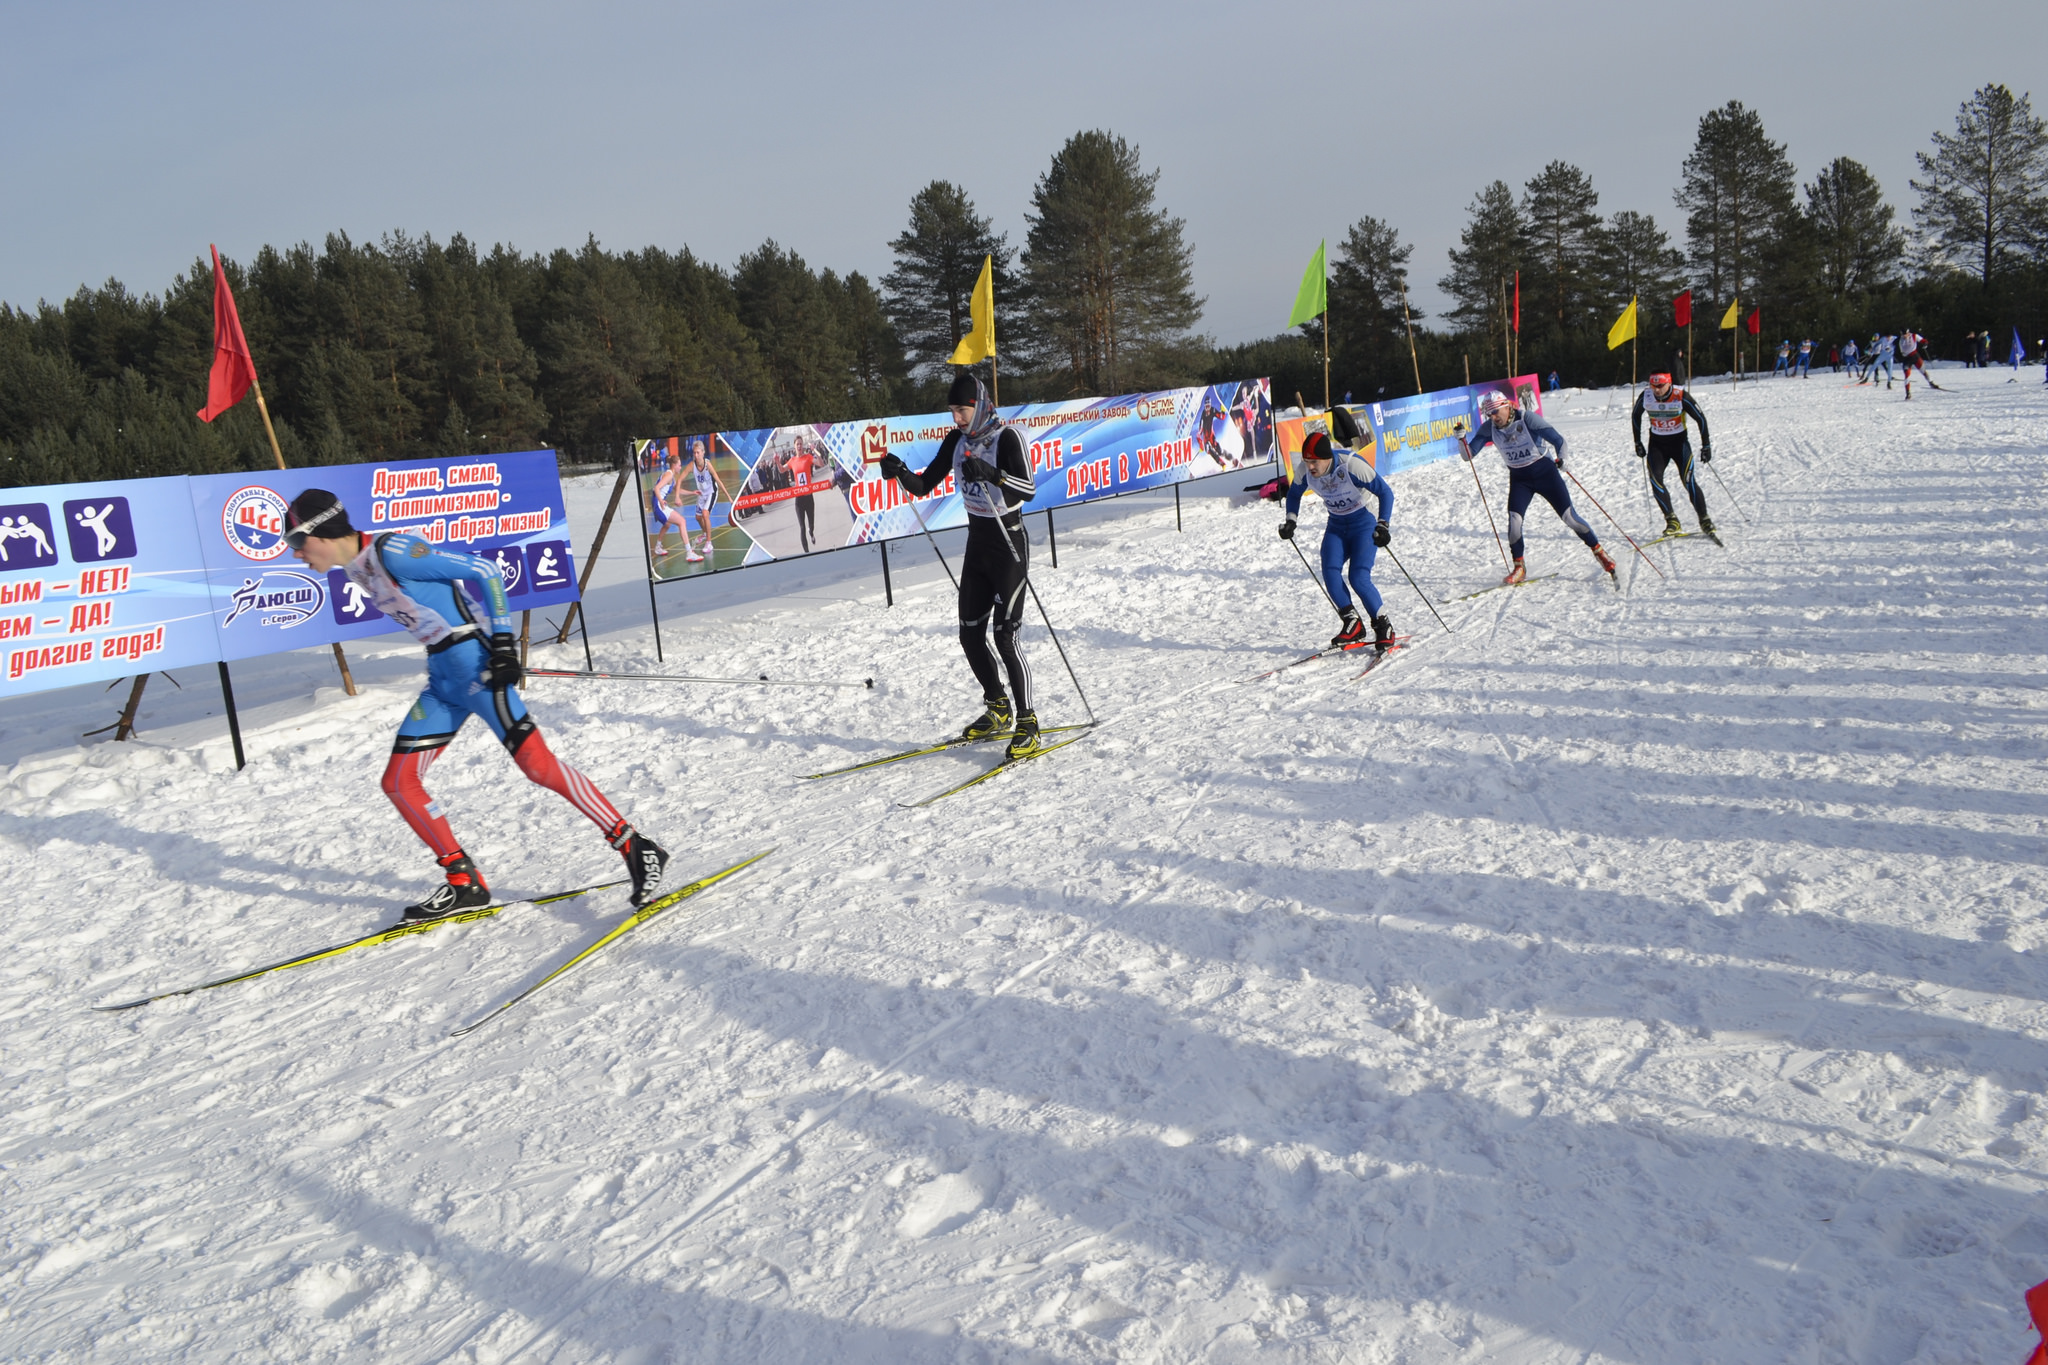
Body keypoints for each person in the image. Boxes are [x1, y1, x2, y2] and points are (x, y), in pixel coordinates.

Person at [284, 490, 670, 920]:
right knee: (398, 781)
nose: (297, 555)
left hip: (480, 671)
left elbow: (485, 570)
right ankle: (463, 881)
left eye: (295, 544)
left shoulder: (394, 551)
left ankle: (636, 846)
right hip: (444, 681)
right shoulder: (360, 568)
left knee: (538, 766)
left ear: (317, 533)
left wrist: (503, 642)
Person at [878, 372, 1044, 758]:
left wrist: (993, 474)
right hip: (977, 546)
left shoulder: (1007, 437)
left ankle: (1028, 722)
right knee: (970, 634)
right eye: (952, 411)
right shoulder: (956, 441)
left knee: (1006, 637)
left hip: (1008, 545)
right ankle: (997, 706)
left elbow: (1030, 490)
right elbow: (923, 486)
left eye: (962, 410)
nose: (956, 419)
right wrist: (900, 471)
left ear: (980, 404)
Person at [1459, 390, 1615, 585]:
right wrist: (1461, 439)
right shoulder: (1488, 428)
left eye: (1496, 412)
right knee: (1514, 521)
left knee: (1569, 517)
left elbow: (1559, 440)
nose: (1493, 417)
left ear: (1507, 406)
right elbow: (1468, 455)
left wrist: (1563, 458)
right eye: (1489, 414)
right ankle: (1519, 567)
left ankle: (1600, 553)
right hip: (1520, 479)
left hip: (1545, 474)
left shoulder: (1527, 419)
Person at [1279, 429, 1396, 652]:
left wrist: (1383, 524)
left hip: (1364, 523)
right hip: (1337, 525)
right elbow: (1293, 495)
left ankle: (1383, 626)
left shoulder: (1350, 465)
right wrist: (1291, 520)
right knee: (1330, 570)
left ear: (1327, 458)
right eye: (1306, 461)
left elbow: (1385, 492)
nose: (1310, 467)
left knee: (1358, 577)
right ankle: (1352, 622)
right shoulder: (1305, 471)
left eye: (1314, 462)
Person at [1631, 373, 1716, 539]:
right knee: (1655, 481)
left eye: (1660, 386)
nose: (1657, 390)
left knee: (1688, 480)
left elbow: (1701, 419)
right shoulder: (1646, 396)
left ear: (1668, 383)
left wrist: (1706, 445)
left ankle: (1704, 519)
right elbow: (1635, 416)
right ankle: (1672, 520)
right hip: (1657, 445)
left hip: (1679, 444)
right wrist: (1637, 442)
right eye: (1653, 386)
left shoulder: (1681, 396)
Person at [646, 448, 697, 561]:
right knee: (682, 522)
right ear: (674, 465)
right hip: (659, 504)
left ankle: (658, 547)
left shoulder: (672, 477)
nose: (680, 467)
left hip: (658, 504)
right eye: (679, 465)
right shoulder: (669, 475)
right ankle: (689, 553)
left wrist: (692, 492)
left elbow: (678, 491)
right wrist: (661, 500)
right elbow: (656, 488)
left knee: (667, 524)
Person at [686, 438, 728, 558]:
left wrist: (728, 496)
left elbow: (718, 480)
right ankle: (705, 534)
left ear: (703, 452)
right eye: (694, 453)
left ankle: (709, 543)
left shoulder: (707, 465)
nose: (696, 455)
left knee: (705, 514)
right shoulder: (692, 465)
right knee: (698, 517)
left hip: (711, 492)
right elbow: (681, 477)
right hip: (701, 493)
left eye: (698, 452)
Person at [785, 435, 820, 554]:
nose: (799, 446)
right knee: (802, 527)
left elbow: (821, 463)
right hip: (799, 499)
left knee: (811, 525)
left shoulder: (808, 457)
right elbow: (781, 470)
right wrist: (776, 461)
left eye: (801, 444)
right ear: (794, 446)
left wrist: (814, 450)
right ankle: (806, 552)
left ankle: (812, 533)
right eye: (797, 444)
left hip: (809, 497)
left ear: (803, 445)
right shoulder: (792, 461)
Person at [1898, 327, 1941, 397]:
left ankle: (1931, 383)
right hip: (1907, 359)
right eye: (1903, 335)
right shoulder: (1900, 340)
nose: (1904, 336)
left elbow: (1923, 340)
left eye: (1905, 334)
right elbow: (1898, 349)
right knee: (1907, 375)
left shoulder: (1914, 336)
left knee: (1923, 371)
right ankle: (1908, 392)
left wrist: (1925, 344)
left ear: (1908, 333)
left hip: (1915, 357)